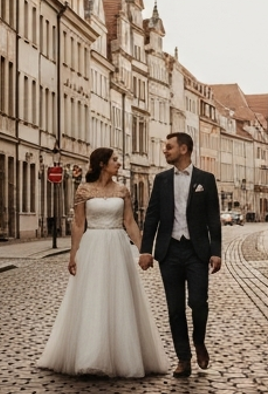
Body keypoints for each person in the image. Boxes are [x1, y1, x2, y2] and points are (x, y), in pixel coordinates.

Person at [37, 148, 170, 377]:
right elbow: (78, 224)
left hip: (117, 245)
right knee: (92, 297)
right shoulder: (84, 190)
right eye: (114, 160)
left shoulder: (123, 190)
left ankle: (123, 355)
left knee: (120, 297)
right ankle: (90, 355)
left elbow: (129, 222)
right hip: (93, 245)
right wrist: (73, 254)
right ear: (101, 164)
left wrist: (144, 251)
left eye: (118, 160)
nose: (118, 163)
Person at [138, 132, 222, 378]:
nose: (165, 151)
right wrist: (146, 249)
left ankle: (199, 341)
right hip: (169, 251)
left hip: (197, 251)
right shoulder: (162, 180)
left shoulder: (205, 179)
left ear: (183, 149)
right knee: (174, 309)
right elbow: (152, 216)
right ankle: (183, 358)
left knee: (198, 302)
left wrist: (215, 252)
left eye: (169, 147)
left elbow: (213, 218)